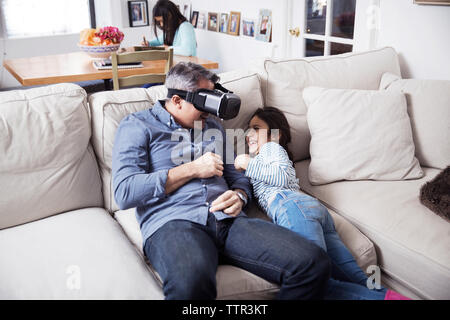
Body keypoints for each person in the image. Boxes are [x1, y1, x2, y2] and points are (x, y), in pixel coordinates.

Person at [112, 62, 331, 300]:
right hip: (175, 223)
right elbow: (124, 192)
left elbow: (237, 175)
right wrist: (192, 169)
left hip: (228, 219)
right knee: (190, 284)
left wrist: (240, 195)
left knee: (313, 263)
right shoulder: (137, 125)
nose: (209, 116)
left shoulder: (213, 126)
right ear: (177, 101)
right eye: (203, 109)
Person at [234, 106, 411, 300]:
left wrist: (247, 163)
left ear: (275, 135)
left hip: (292, 207)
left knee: (313, 280)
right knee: (359, 280)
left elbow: (282, 177)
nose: (249, 134)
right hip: (311, 210)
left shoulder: (271, 148)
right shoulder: (266, 157)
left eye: (256, 128)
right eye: (248, 129)